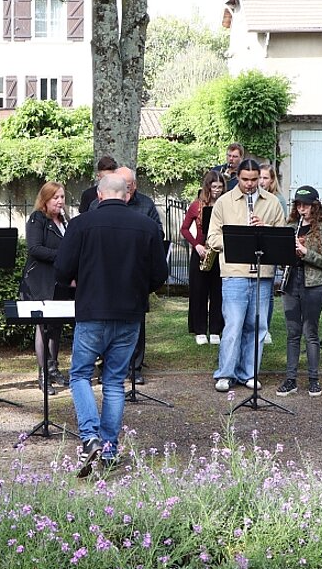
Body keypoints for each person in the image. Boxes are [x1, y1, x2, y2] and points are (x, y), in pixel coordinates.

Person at [54, 172, 169, 476]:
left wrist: (78, 281)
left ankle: (90, 436)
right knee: (115, 381)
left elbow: (62, 270)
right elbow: (160, 274)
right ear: (127, 195)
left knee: (80, 374)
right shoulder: (147, 226)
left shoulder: (81, 224)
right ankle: (109, 449)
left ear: (99, 195)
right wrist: (138, 288)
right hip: (130, 312)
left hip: (92, 310)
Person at [206, 157, 286, 392]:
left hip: (262, 273)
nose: (250, 184)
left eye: (254, 180)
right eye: (245, 180)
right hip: (234, 272)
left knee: (257, 326)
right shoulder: (224, 202)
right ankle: (225, 373)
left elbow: (282, 237)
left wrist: (265, 231)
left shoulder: (272, 202)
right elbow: (212, 237)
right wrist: (238, 240)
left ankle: (249, 373)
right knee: (233, 325)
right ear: (238, 177)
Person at [275, 186, 322, 398]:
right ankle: (290, 379)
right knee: (293, 332)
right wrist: (287, 254)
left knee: (311, 332)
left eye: (306, 205)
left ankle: (313, 379)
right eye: (299, 205)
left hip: (314, 284)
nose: (302, 209)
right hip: (291, 281)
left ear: (315, 206)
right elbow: (280, 261)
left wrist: (306, 253)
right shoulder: (291, 226)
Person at [115, 166, 164, 385]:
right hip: (110, 272)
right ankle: (111, 365)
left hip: (136, 271)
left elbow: (158, 233)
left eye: (128, 186)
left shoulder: (146, 204)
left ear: (134, 185)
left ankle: (135, 367)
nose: (124, 190)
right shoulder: (101, 203)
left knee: (136, 321)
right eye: (120, 185)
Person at [23, 181, 69, 394]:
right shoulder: (37, 219)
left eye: (62, 197)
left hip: (60, 281)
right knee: (42, 327)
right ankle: (43, 374)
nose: (60, 201)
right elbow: (35, 248)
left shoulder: (65, 221)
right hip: (41, 281)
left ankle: (53, 367)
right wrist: (62, 256)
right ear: (45, 199)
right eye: (55, 197)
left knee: (56, 326)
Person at [180, 169, 226, 345]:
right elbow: (184, 229)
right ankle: (199, 330)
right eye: (214, 187)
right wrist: (196, 245)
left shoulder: (225, 206)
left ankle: (215, 330)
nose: (217, 190)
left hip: (219, 253)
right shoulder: (196, 206)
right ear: (208, 187)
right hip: (201, 252)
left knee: (218, 292)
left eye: (220, 187)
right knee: (199, 292)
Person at [258, 162, 280, 345]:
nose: (261, 181)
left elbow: (281, 228)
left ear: (272, 180)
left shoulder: (277, 200)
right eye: (259, 177)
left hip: (270, 250)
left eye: (265, 178)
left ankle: (265, 328)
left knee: (267, 292)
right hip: (253, 249)